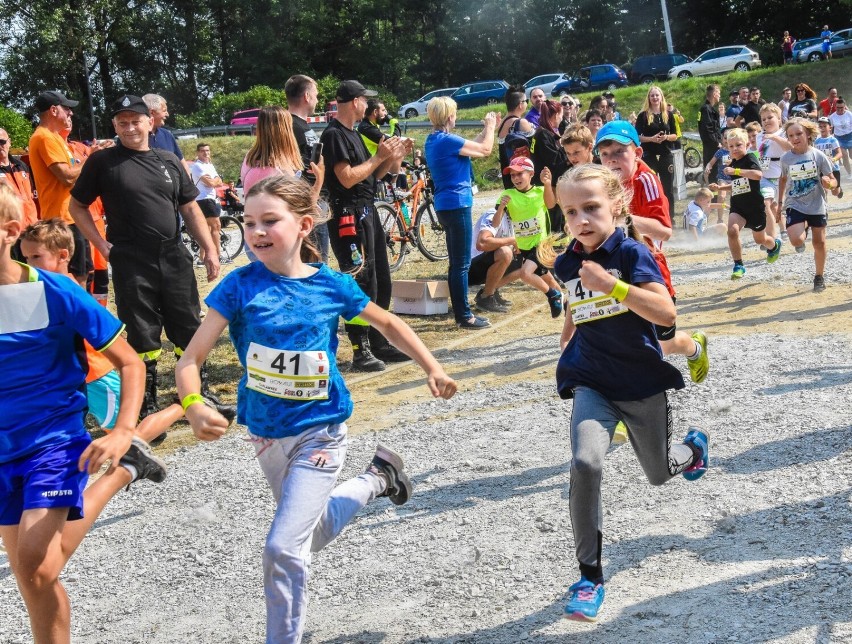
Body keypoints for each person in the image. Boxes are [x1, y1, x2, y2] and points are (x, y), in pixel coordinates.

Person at [174, 175, 457, 643]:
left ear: (304, 225)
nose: (257, 232)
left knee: (284, 548)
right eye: (248, 223)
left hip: (320, 431)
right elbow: (189, 360)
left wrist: (432, 365)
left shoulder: (331, 285)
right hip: (266, 434)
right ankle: (378, 479)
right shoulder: (237, 288)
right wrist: (192, 404)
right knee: (313, 529)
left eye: (270, 221)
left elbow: (387, 323)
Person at [537, 163, 709, 622]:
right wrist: (570, 329)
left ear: (617, 204)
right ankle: (589, 577)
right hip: (591, 380)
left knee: (659, 473)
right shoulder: (569, 260)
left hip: (640, 384)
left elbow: (665, 314)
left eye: (591, 207)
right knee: (585, 462)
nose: (581, 220)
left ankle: (691, 451)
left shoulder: (632, 254)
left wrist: (612, 284)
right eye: (571, 212)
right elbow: (578, 299)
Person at [0, 184, 167, 644]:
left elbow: (130, 362)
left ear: (10, 231)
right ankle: (128, 471)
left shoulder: (55, 291)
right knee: (36, 579)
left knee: (34, 565)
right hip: (3, 451)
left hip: (53, 443)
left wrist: (121, 431)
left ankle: (119, 469)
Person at [69, 94, 224, 420]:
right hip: (130, 258)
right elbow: (77, 207)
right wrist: (100, 244)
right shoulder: (102, 162)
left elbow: (189, 208)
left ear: (149, 122)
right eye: (122, 122)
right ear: (114, 125)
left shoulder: (168, 160)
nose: (129, 128)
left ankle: (197, 395)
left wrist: (209, 248)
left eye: (135, 121)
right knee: (142, 333)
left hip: (173, 254)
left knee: (188, 326)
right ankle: (147, 404)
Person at [18, 219, 234, 444]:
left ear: (63, 256)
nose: (28, 265)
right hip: (71, 377)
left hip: (95, 375)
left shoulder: (71, 292)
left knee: (134, 437)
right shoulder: (40, 290)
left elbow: (110, 336)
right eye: (25, 258)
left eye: (36, 257)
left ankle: (180, 407)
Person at [596, 121, 710, 384]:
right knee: (631, 347)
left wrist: (621, 218)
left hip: (649, 272)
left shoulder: (645, 179)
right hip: (617, 271)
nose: (611, 160)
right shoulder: (602, 185)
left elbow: (663, 231)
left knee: (661, 345)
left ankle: (694, 347)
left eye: (618, 152)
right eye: (605, 154)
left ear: (637, 153)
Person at [321, 80, 412, 362]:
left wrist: (392, 157)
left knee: (381, 280)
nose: (368, 105)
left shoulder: (355, 133)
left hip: (366, 209)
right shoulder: (334, 134)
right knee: (361, 281)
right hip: (348, 215)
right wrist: (377, 158)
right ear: (353, 102)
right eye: (364, 99)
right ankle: (361, 350)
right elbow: (346, 177)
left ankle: (379, 342)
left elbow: (375, 176)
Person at [424, 95, 497, 330]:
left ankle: (461, 312)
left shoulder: (435, 140)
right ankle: (464, 315)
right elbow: (485, 149)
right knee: (461, 264)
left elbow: (471, 148)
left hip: (445, 204)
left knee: (456, 263)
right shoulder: (447, 140)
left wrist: (484, 132)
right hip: (457, 204)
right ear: (450, 116)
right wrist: (491, 125)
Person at [27, 91, 91, 286]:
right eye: (67, 109)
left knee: (83, 273)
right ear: (54, 110)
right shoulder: (45, 137)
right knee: (74, 277)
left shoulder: (54, 138)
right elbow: (67, 176)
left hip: (70, 216)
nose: (71, 113)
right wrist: (92, 159)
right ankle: (76, 315)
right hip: (62, 219)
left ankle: (81, 312)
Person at [492, 156, 563, 317]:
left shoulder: (540, 191)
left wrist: (546, 184)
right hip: (524, 247)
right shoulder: (507, 194)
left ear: (531, 174)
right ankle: (568, 306)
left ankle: (553, 295)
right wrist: (501, 207)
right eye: (512, 175)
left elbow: (551, 205)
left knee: (525, 274)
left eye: (519, 174)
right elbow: (495, 224)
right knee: (549, 281)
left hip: (541, 244)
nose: (516, 178)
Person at [708, 128, 782, 279]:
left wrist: (736, 172)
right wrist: (721, 187)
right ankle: (738, 265)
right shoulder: (734, 162)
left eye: (738, 145)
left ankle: (774, 245)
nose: (734, 149)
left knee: (760, 240)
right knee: (732, 232)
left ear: (747, 145)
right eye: (731, 146)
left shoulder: (749, 158)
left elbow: (757, 175)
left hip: (754, 207)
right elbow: (738, 184)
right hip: (738, 207)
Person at [778, 117, 837, 291]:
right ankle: (803, 228)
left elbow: (832, 180)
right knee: (796, 241)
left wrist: (829, 183)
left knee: (819, 243)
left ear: (808, 134)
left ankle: (819, 276)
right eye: (791, 135)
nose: (795, 138)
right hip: (794, 203)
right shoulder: (786, 159)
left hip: (816, 204)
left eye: (799, 134)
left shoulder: (818, 156)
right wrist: (779, 203)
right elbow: (782, 180)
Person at [285, 74, 329, 262]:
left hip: (315, 200)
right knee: (315, 263)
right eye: (316, 94)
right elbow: (295, 169)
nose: (318, 99)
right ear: (307, 96)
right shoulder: (290, 125)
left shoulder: (301, 125)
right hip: (308, 203)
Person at [634, 86, 677, 219]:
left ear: (661, 97)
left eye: (657, 95)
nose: (655, 98)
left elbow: (675, 134)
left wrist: (666, 137)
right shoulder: (643, 115)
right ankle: (653, 215)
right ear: (649, 98)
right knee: (651, 186)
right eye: (652, 95)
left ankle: (670, 216)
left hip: (666, 153)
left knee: (667, 187)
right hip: (649, 154)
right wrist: (651, 139)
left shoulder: (668, 114)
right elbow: (637, 136)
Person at [468, 207, 522, 313]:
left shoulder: (518, 218)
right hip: (471, 268)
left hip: (487, 263)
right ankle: (486, 298)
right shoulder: (494, 214)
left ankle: (490, 290)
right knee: (505, 252)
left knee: (529, 261)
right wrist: (512, 241)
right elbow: (482, 243)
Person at [530, 99, 569, 233]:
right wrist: (566, 149)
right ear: (556, 114)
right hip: (548, 186)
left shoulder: (544, 133)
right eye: (561, 114)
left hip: (551, 185)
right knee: (554, 225)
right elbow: (555, 162)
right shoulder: (543, 134)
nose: (562, 118)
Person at [758, 103, 793, 239]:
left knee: (778, 207)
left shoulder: (784, 132)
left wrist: (774, 137)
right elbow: (756, 154)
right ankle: (770, 237)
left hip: (783, 177)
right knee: (766, 203)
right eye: (763, 119)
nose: (766, 121)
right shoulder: (759, 136)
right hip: (766, 178)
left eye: (769, 117)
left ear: (779, 119)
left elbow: (790, 148)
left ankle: (785, 229)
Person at [190, 142, 225, 260]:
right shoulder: (197, 166)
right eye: (203, 151)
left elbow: (219, 181)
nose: (206, 153)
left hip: (208, 198)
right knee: (216, 226)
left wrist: (215, 181)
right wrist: (215, 181)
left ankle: (202, 257)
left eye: (207, 150)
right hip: (204, 199)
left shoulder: (209, 165)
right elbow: (211, 183)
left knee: (207, 229)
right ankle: (218, 255)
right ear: (198, 152)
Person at [142, 93, 191, 174]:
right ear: (152, 112)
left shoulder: (167, 135)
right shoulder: (135, 137)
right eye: (164, 110)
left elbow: (182, 163)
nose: (167, 114)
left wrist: (189, 184)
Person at [497, 86, 534, 188]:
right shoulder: (521, 123)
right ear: (521, 104)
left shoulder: (502, 124)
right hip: (524, 177)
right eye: (526, 100)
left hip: (509, 176)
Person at [0, 128, 38, 229]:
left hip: (31, 226)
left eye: (2, 142)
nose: (0, 146)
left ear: (9, 142)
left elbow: (31, 195)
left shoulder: (22, 166)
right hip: (10, 229)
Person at [704, 133, 732, 224]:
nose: (727, 140)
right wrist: (708, 167)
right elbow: (711, 163)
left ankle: (736, 217)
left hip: (734, 179)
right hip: (722, 178)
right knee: (721, 196)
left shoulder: (735, 150)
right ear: (722, 139)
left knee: (736, 198)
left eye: (729, 138)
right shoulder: (720, 151)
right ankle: (720, 219)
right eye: (725, 138)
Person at [816, 116, 843, 198]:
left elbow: (840, 153)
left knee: (835, 193)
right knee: (823, 190)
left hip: (834, 168)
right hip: (822, 169)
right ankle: (824, 207)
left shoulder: (833, 140)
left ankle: (838, 189)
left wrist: (833, 159)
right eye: (820, 126)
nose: (822, 128)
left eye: (824, 126)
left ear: (830, 128)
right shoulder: (817, 141)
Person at [698, 84, 723, 169]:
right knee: (713, 171)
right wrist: (717, 142)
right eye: (719, 93)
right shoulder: (705, 109)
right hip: (711, 147)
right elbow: (707, 129)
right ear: (714, 94)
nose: (720, 95)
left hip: (714, 145)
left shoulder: (710, 109)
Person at [828, 97, 852, 177]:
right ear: (835, 107)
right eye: (838, 107)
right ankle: (849, 174)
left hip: (850, 136)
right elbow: (830, 129)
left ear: (844, 106)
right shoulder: (832, 117)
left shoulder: (849, 114)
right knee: (844, 155)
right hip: (839, 138)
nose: (839, 109)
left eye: (841, 107)